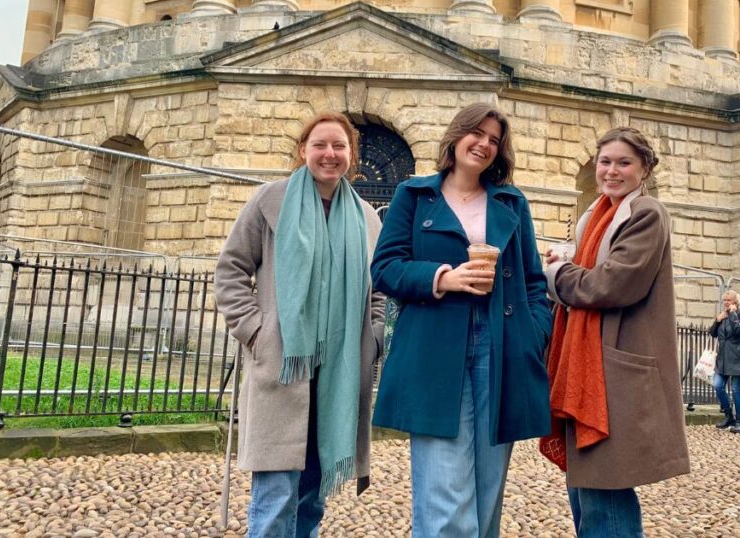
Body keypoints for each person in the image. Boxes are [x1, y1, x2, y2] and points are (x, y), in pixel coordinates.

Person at [370, 103, 552, 537]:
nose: (485, 144)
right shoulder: (414, 195)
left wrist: (533, 335)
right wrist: (442, 277)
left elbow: (532, 281)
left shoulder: (511, 201)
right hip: (434, 350)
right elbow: (385, 267)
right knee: (444, 492)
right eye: (478, 133)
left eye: (495, 140)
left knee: (488, 491)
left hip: (502, 347)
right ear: (456, 137)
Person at [215, 113, 384, 537]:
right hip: (282, 367)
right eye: (320, 145)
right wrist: (257, 331)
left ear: (352, 155)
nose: (330, 154)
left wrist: (374, 337)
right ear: (303, 150)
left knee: (311, 498)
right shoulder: (269, 200)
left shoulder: (366, 218)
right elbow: (231, 270)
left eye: (339, 146)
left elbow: (377, 290)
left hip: (337, 377)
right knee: (275, 498)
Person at [542, 127, 690, 537]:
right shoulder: (596, 215)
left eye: (624, 162)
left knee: (603, 489)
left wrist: (557, 271)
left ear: (644, 168)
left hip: (611, 370)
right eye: (605, 161)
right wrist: (571, 259)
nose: (611, 171)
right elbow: (595, 270)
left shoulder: (647, 213)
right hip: (587, 364)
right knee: (587, 489)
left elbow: (610, 285)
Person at [709, 290, 740, 434]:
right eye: (725, 300)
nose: (726, 302)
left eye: (729, 300)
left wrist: (733, 314)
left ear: (735, 302)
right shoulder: (724, 316)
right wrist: (717, 320)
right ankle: (729, 416)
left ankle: (739, 421)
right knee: (718, 385)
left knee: (735, 390)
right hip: (723, 359)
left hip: (739, 359)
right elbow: (713, 333)